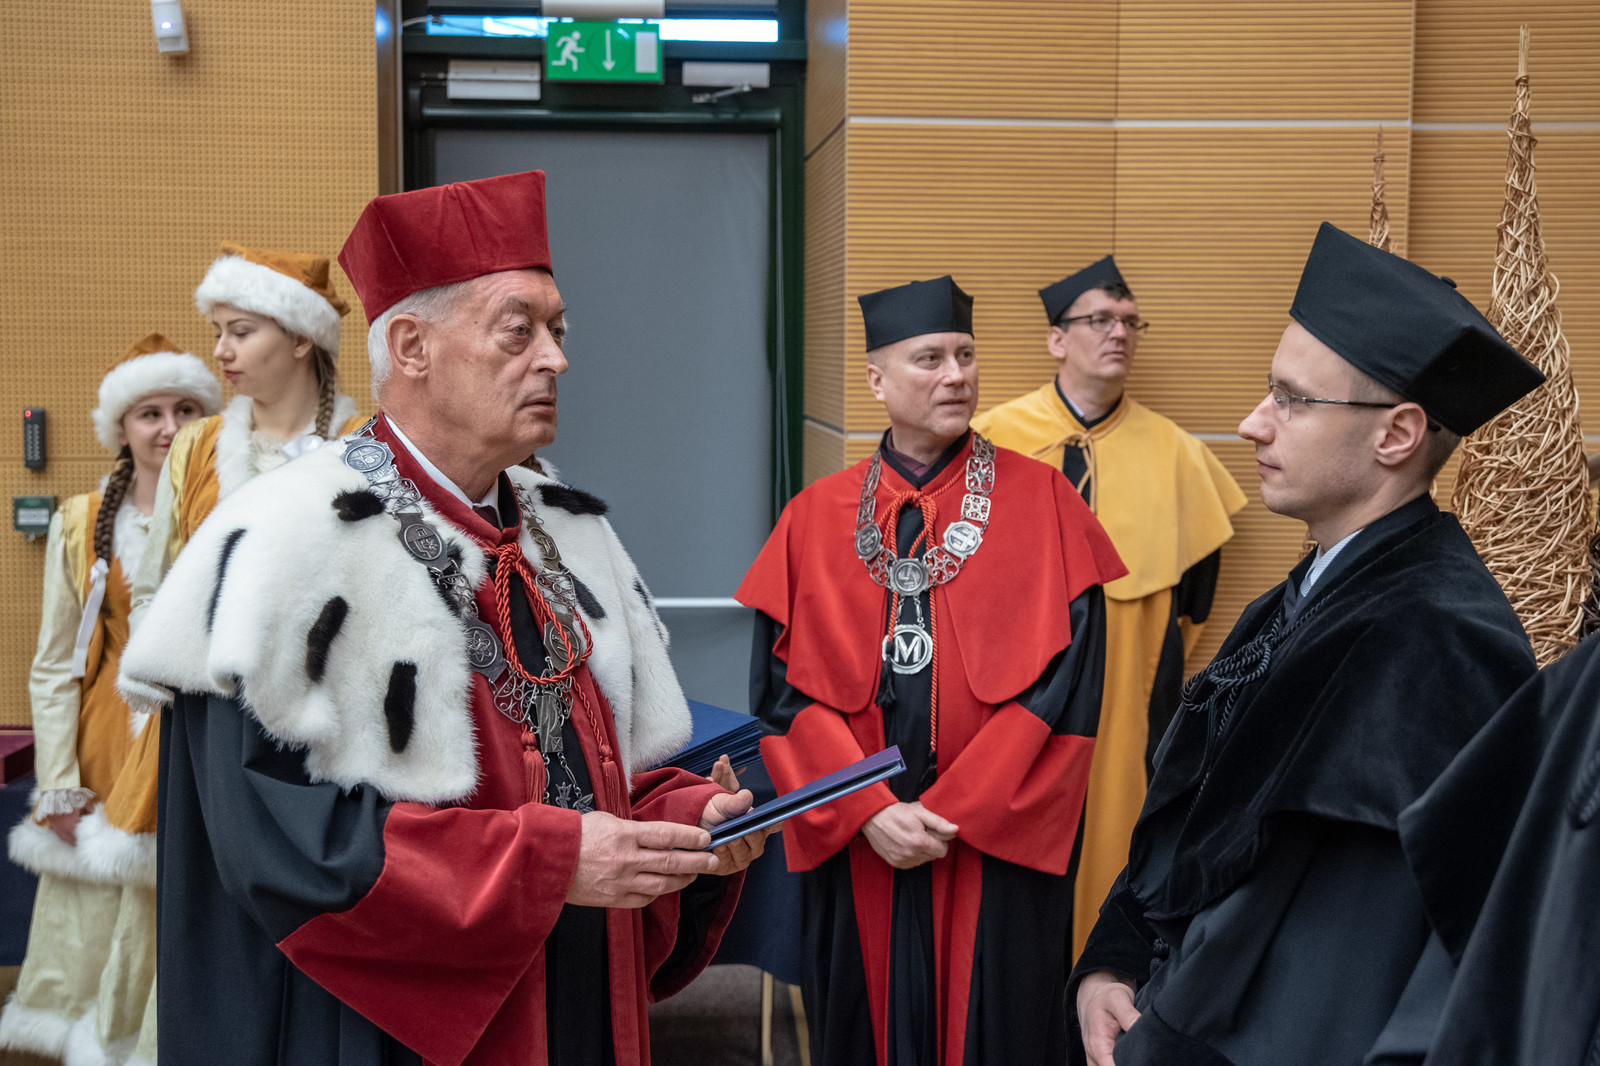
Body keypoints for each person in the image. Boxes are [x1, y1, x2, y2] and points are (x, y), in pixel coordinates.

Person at [117, 169, 772, 1066]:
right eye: (518, 330)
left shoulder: (569, 533)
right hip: (384, 1026)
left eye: (558, 330)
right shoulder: (282, 544)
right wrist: (547, 865)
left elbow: (580, 775)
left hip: (573, 991)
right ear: (412, 347)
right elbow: (278, 848)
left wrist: (681, 821)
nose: (556, 360)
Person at [1069, 222, 1546, 1066]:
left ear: (1396, 434)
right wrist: (1114, 960)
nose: (1252, 424)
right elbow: (1194, 816)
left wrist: (1157, 1041)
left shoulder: (1434, 644)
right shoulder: (1303, 595)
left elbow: (1326, 975)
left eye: (1292, 400)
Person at [737, 276, 1126, 1065]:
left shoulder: (1046, 503)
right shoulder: (812, 517)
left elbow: (1069, 692)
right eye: (930, 359)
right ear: (876, 380)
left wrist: (952, 813)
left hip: (992, 851)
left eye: (966, 356)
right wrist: (865, 808)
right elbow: (781, 696)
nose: (956, 375)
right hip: (860, 844)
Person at [972, 257, 1245, 956]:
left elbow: (1194, 599)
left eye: (1129, 322)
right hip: (1007, 675)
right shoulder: (990, 440)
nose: (1118, 333)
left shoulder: (1176, 454)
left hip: (1131, 681)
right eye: (1099, 320)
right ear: (1057, 339)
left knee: (1116, 823)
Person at [0, 334, 220, 1064]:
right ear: (121, 428)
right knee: (92, 924)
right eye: (150, 413)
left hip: (189, 746)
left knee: (179, 921)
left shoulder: (225, 512)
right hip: (104, 749)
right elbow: (54, 666)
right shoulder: (80, 521)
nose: (169, 428)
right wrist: (59, 784)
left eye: (186, 410)